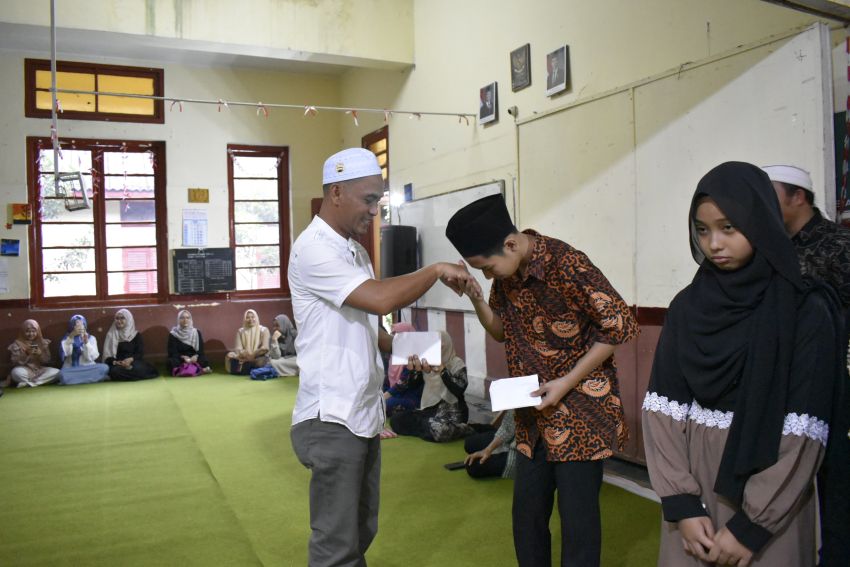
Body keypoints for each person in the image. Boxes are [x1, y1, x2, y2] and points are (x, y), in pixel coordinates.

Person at [642, 162, 844, 566]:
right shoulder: (689, 306)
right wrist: (682, 503)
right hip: (695, 484)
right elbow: (663, 406)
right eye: (702, 230)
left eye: (729, 227)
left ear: (760, 221)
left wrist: (754, 525)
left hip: (773, 489)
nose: (714, 243)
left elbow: (804, 426)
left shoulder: (805, 309)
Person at [288, 147, 473, 567]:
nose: (375, 211)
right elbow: (378, 300)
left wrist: (418, 350)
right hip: (331, 413)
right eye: (369, 200)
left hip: (362, 411)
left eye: (378, 201)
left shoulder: (354, 251)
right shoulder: (314, 248)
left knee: (361, 528)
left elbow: (374, 331)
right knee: (336, 544)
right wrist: (435, 270)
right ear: (335, 193)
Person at [445, 193, 639, 567]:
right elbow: (502, 331)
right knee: (527, 516)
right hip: (533, 416)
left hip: (581, 412)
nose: (488, 276)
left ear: (511, 243)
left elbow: (620, 326)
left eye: (487, 268)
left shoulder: (567, 264)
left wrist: (566, 382)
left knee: (578, 520)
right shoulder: (508, 275)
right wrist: (476, 297)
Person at [762, 164, 850, 567]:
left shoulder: (839, 244)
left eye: (771, 194)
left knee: (838, 484)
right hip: (784, 385)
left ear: (798, 196)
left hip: (836, 386)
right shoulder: (771, 248)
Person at [387, 331, 474, 442]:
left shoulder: (457, 363)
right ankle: (427, 430)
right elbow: (411, 384)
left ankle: (464, 429)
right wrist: (414, 369)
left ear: (447, 345)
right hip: (429, 412)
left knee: (440, 430)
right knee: (396, 420)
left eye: (440, 346)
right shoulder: (426, 363)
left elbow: (459, 389)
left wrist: (442, 371)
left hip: (451, 413)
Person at [103, 308, 159, 382]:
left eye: (122, 318)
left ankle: (127, 376)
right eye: (117, 318)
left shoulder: (135, 335)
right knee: (114, 371)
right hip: (118, 364)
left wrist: (130, 360)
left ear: (128, 320)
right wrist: (117, 362)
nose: (119, 321)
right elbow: (107, 357)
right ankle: (135, 376)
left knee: (141, 368)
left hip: (134, 362)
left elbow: (140, 353)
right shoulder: (111, 335)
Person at [382, 322, 424, 417]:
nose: (394, 339)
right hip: (394, 395)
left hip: (410, 398)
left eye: (398, 335)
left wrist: (383, 397)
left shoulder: (414, 357)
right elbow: (387, 381)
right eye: (393, 335)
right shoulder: (393, 356)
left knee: (383, 405)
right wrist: (381, 394)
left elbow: (403, 384)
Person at [464, 409, 518, 479]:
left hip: (519, 454)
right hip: (510, 439)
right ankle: (491, 431)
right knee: (469, 443)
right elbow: (507, 427)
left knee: (472, 466)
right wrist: (488, 449)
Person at [6, 319, 60, 388]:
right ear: (23, 332)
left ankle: (31, 383)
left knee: (57, 372)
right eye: (28, 331)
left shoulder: (42, 343)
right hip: (25, 370)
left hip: (39, 370)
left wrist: (40, 354)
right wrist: (26, 354)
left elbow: (47, 360)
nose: (31, 334)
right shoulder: (17, 344)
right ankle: (37, 382)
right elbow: (14, 362)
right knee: (15, 373)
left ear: (38, 331)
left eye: (34, 331)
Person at [59, 314, 110, 385]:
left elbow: (92, 357)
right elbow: (67, 353)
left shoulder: (91, 338)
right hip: (72, 369)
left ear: (85, 326)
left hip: (87, 367)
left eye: (81, 324)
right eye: (76, 325)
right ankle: (91, 379)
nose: (79, 327)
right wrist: (71, 336)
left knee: (104, 367)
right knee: (62, 373)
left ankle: (74, 380)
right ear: (72, 326)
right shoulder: (67, 338)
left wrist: (86, 342)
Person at [167, 309, 211, 377]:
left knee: (203, 359)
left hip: (194, 357)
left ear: (190, 319)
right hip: (181, 358)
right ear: (178, 320)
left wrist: (195, 356)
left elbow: (201, 350)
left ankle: (184, 371)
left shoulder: (196, 332)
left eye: (188, 318)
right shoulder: (173, 334)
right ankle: (199, 370)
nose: (185, 320)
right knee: (172, 361)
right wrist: (183, 357)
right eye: (182, 318)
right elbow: (172, 352)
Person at [225, 309, 270, 375]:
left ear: (256, 318)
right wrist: (243, 354)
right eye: (248, 317)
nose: (250, 319)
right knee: (229, 355)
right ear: (244, 319)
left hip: (258, 357)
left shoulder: (264, 330)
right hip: (244, 357)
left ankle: (246, 368)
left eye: (252, 317)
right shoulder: (240, 331)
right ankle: (248, 367)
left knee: (260, 362)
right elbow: (238, 348)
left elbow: (265, 348)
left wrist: (253, 355)